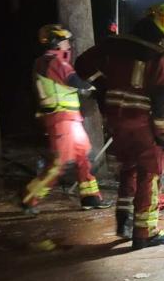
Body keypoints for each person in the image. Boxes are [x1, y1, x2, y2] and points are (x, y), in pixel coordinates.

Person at [76, 4, 164, 250]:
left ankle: (125, 222)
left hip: (116, 121)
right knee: (149, 174)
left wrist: (103, 87)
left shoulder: (114, 44)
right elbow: (160, 98)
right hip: (142, 123)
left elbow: (81, 63)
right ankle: (145, 233)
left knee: (129, 168)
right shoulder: (157, 55)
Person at [22, 24, 109, 214]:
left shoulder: (46, 63)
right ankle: (30, 198)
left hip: (70, 119)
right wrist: (99, 81)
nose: (68, 45)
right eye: (65, 42)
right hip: (61, 120)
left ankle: (91, 198)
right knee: (58, 165)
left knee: (83, 158)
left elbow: (70, 87)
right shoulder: (54, 63)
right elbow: (75, 82)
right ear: (55, 42)